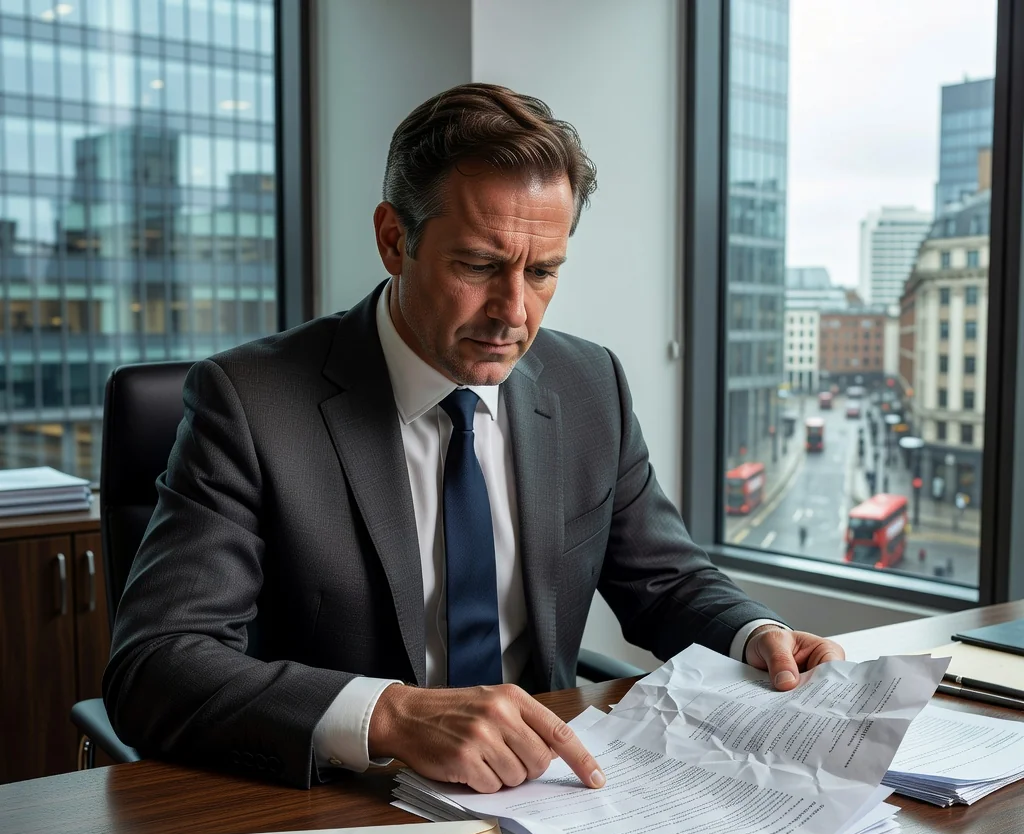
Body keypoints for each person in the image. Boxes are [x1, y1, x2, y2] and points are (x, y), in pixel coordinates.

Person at [103, 84, 844, 794]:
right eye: (479, 266)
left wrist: (756, 633)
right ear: (395, 241)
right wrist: (389, 715)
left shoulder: (590, 385)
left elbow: (666, 579)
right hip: (345, 807)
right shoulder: (251, 403)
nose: (514, 312)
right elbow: (156, 665)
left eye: (543, 271)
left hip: (550, 795)